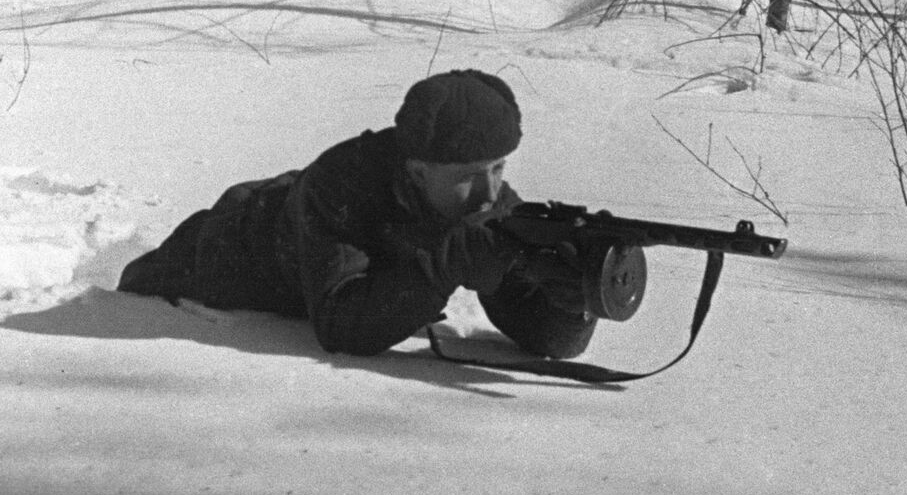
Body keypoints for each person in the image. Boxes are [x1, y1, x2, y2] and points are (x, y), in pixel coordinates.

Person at [118, 69, 597, 360]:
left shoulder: (489, 203)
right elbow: (341, 327)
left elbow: (549, 339)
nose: (489, 192)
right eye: (468, 175)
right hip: (237, 245)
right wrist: (443, 267)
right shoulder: (341, 184)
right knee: (135, 290)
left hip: (294, 250)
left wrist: (570, 295)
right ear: (417, 170)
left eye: (498, 168)